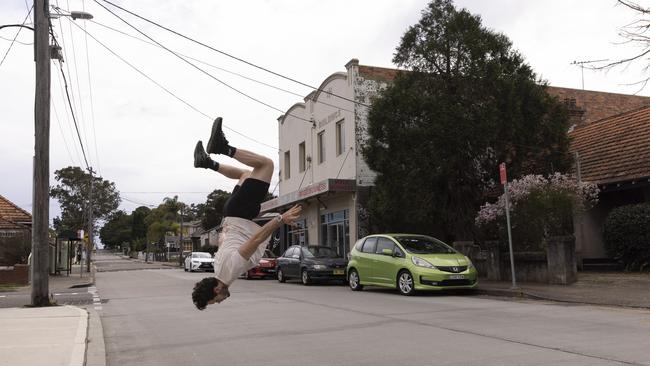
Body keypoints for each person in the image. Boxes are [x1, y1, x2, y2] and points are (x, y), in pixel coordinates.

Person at [191, 117, 301, 310]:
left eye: (215, 301)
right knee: (246, 175)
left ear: (216, 291)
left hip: (241, 213)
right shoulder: (218, 268)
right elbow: (225, 240)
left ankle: (223, 147)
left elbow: (255, 240)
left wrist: (280, 219)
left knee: (266, 165)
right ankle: (207, 162)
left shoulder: (230, 271)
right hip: (232, 214)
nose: (221, 301)